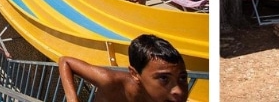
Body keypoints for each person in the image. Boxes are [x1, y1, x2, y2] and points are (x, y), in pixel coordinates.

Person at [59, 34, 188, 102]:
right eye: (164, 78)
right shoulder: (110, 80)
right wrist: (72, 99)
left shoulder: (163, 98)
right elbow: (65, 61)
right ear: (135, 74)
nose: (180, 91)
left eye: (182, 78)